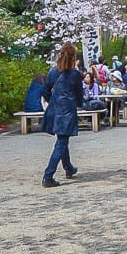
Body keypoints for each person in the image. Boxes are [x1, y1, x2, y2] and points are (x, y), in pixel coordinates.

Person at [41, 42, 84, 187]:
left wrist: (52, 101)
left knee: (62, 139)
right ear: (74, 57)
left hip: (54, 108)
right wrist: (79, 104)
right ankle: (48, 175)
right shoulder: (75, 74)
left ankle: (68, 168)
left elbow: (46, 91)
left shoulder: (53, 72)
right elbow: (79, 93)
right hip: (67, 110)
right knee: (61, 142)